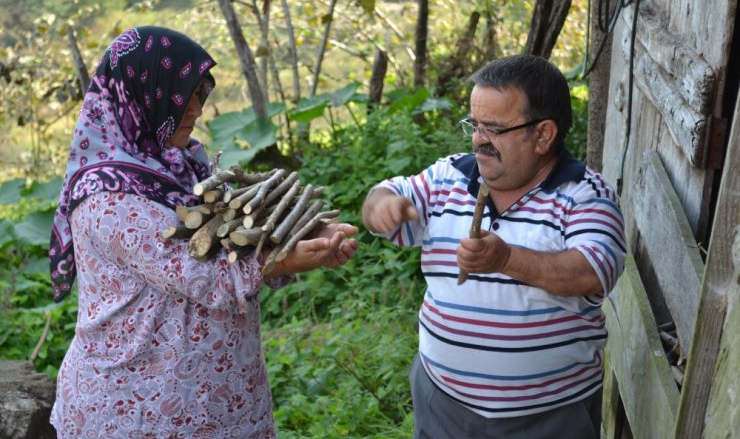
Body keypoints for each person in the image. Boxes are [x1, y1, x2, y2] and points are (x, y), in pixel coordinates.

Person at [48, 26, 359, 438]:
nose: (197, 110)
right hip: (137, 409)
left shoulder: (184, 165)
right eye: (185, 97)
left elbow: (245, 233)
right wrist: (284, 259)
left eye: (200, 95)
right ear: (145, 96)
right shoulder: (108, 197)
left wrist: (311, 234)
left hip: (216, 402)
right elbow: (204, 276)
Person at [362, 55, 626, 439]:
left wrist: (505, 258)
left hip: (549, 417)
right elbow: (386, 193)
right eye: (475, 125)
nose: (477, 139)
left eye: (494, 129)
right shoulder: (447, 176)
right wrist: (380, 205)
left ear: (543, 135)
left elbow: (592, 272)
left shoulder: (584, 194)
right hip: (444, 405)